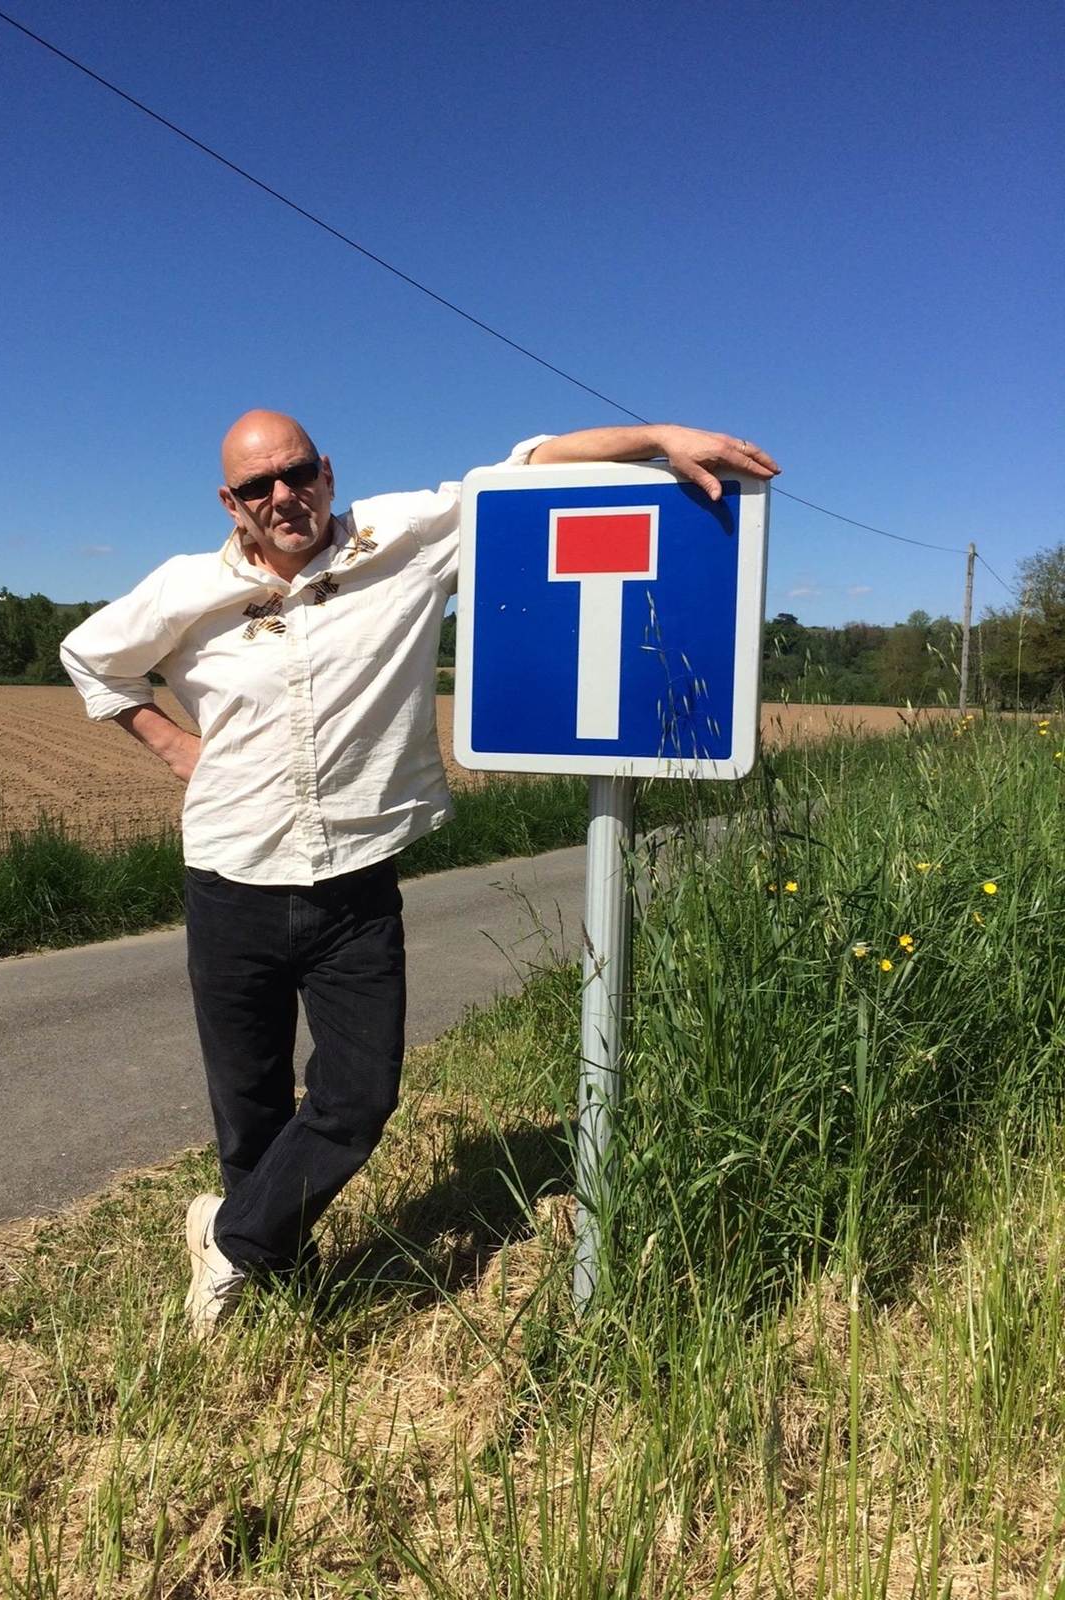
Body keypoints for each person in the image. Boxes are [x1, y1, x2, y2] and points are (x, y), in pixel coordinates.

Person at [60, 413, 779, 1338]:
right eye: (258, 488)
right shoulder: (185, 589)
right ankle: (274, 1282)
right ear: (231, 504)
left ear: (326, 469)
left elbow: (525, 466)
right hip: (230, 878)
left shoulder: (399, 538)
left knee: (358, 1097)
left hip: (355, 882)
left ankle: (230, 1242)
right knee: (248, 1107)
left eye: (297, 472)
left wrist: (660, 441)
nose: (285, 497)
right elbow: (91, 655)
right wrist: (169, 745)